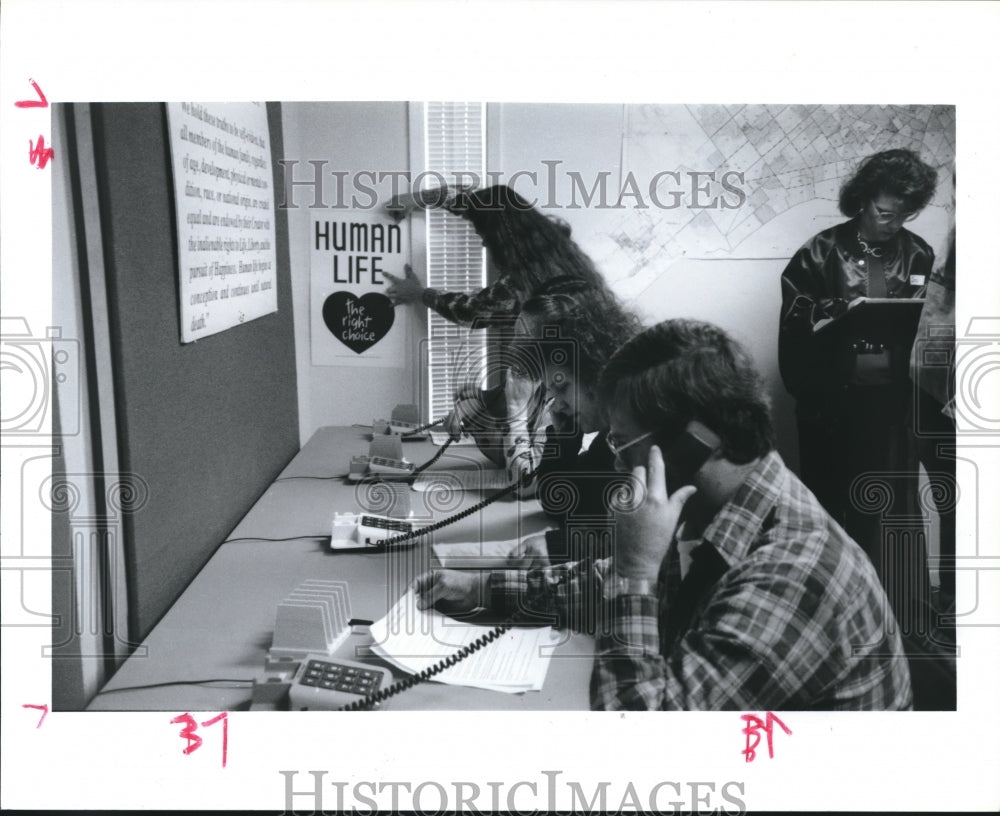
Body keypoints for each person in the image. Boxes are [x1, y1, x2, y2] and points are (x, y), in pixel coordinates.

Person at [414, 319, 913, 710]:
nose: (614, 460)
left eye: (622, 441)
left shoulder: (791, 575)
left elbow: (644, 748)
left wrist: (636, 572)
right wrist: (480, 590)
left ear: (693, 443)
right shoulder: (725, 508)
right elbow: (600, 586)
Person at [778, 149, 938, 598]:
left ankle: (899, 612)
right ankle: (833, 607)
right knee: (832, 508)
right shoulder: (819, 253)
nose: (893, 222)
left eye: (905, 214)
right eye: (885, 211)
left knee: (890, 512)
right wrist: (841, 312)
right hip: (833, 406)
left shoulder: (919, 253)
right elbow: (796, 323)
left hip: (891, 408)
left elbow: (930, 327)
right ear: (863, 200)